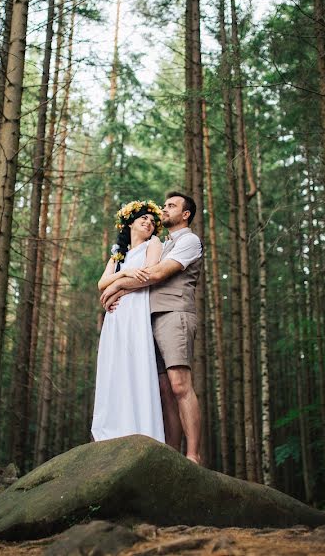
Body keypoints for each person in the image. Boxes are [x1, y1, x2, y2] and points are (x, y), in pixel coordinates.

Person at [100, 191, 203, 465]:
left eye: (171, 206)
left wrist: (117, 285)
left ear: (185, 214)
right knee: (163, 390)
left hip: (174, 313)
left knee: (180, 385)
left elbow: (154, 274)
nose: (164, 209)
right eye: (165, 205)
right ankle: (171, 453)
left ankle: (192, 455)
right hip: (148, 320)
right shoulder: (161, 243)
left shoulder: (189, 241)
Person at [91, 200, 166, 443]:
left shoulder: (153, 243)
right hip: (115, 318)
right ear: (130, 222)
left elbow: (149, 274)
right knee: (115, 368)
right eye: (143, 218)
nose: (148, 223)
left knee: (136, 365)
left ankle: (141, 430)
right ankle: (113, 431)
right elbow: (102, 283)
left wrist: (117, 290)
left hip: (136, 312)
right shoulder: (118, 254)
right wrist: (123, 273)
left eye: (152, 222)